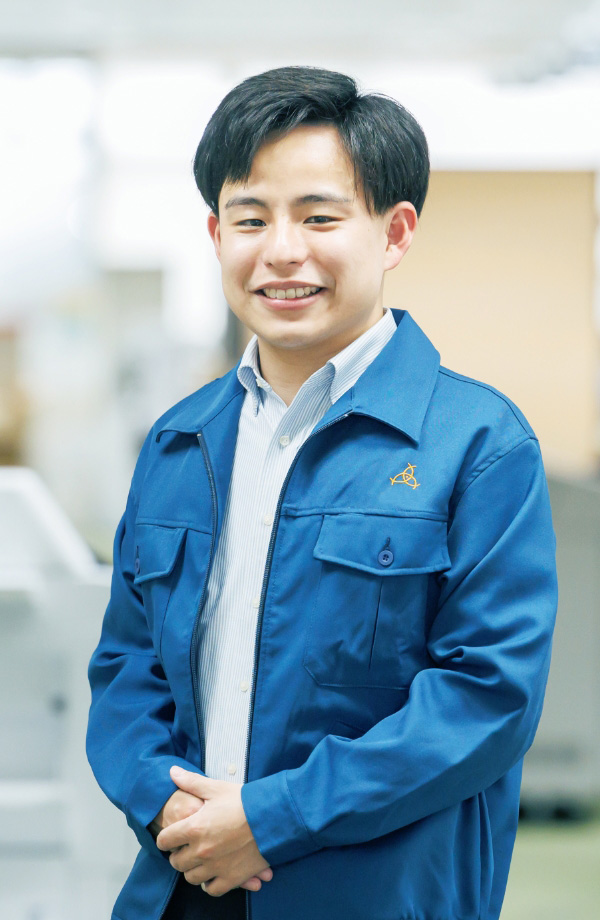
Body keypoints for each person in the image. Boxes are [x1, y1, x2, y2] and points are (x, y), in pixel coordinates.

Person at [86, 65, 558, 920]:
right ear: (215, 233)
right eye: (250, 219)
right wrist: (163, 803)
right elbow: (126, 667)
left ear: (395, 232)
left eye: (319, 217)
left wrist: (271, 820)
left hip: (371, 896)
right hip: (183, 887)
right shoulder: (180, 442)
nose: (281, 251)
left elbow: (486, 698)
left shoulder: (479, 445)